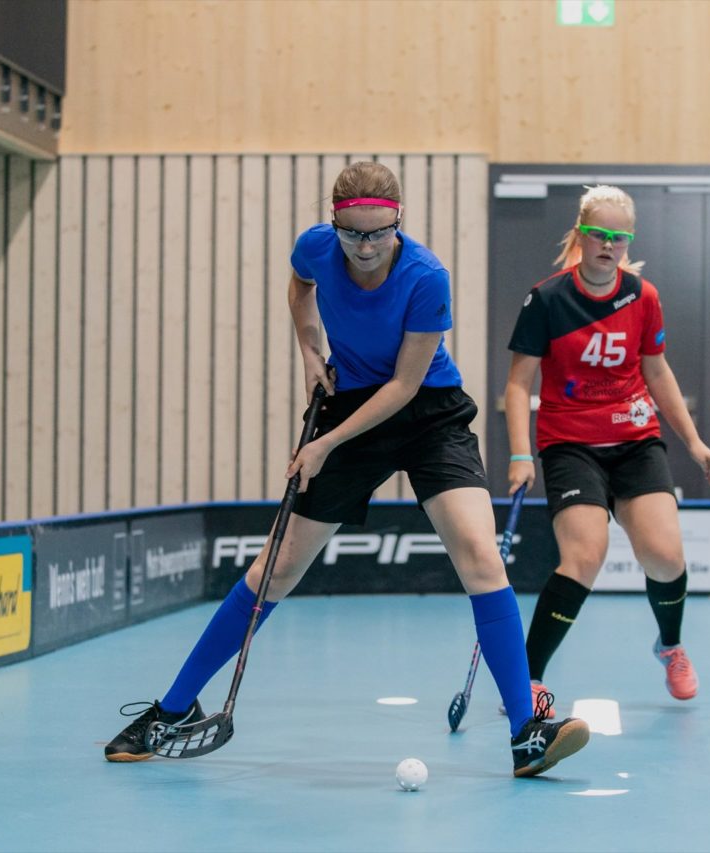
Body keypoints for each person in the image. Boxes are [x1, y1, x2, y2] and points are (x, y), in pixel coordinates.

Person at [104, 162, 589, 778]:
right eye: (352, 233)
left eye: (378, 233)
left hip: (428, 413)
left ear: (398, 222)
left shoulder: (426, 276)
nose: (364, 248)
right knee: (275, 569)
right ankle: (172, 710)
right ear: (333, 224)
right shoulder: (314, 247)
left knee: (481, 556)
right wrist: (311, 352)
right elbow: (300, 287)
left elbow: (404, 385)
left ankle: (526, 734)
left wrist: (325, 443)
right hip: (351, 402)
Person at [503, 185, 710, 712]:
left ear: (629, 242)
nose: (609, 245)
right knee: (584, 557)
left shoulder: (643, 297)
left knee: (665, 557)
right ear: (581, 235)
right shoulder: (547, 299)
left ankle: (670, 647)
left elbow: (657, 371)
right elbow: (517, 383)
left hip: (635, 440)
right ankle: (527, 680)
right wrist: (519, 454)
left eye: (619, 237)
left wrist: (692, 440)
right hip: (569, 444)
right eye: (599, 234)